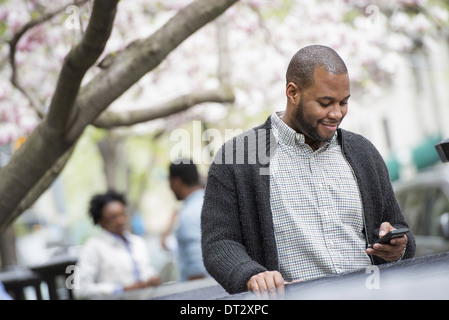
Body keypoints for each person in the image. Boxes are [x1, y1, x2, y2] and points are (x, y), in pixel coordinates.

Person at [201, 45, 416, 297]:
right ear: (293, 92)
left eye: (344, 102)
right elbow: (219, 243)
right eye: (325, 103)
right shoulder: (239, 157)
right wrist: (250, 274)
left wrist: (398, 247)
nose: (336, 113)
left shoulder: (363, 153)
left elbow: (399, 230)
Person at [74, 190, 160, 299]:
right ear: (100, 221)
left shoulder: (137, 242)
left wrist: (152, 280)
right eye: (112, 217)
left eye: (122, 214)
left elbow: (147, 272)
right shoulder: (94, 247)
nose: (120, 221)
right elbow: (81, 289)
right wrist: (121, 289)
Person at [167, 159, 208, 281]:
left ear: (177, 182)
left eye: (169, 182)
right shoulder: (212, 202)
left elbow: (198, 270)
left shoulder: (188, 216)